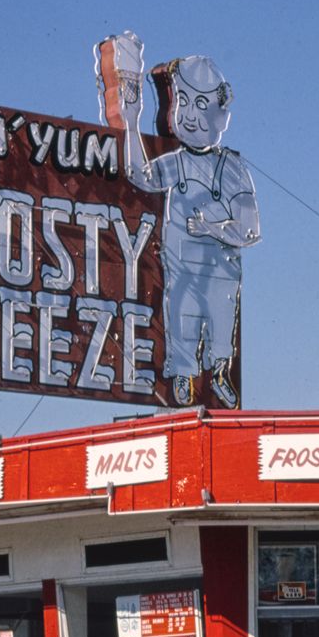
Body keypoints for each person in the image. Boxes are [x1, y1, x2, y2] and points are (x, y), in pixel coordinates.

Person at [96, 30, 260, 407]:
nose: (190, 115)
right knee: (181, 322)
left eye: (201, 104)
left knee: (220, 326)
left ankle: (219, 373)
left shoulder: (232, 167)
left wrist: (212, 227)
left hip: (221, 271)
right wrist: (132, 122)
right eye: (184, 101)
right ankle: (184, 378)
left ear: (222, 113)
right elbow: (141, 176)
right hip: (182, 270)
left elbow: (250, 228)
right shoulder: (179, 162)